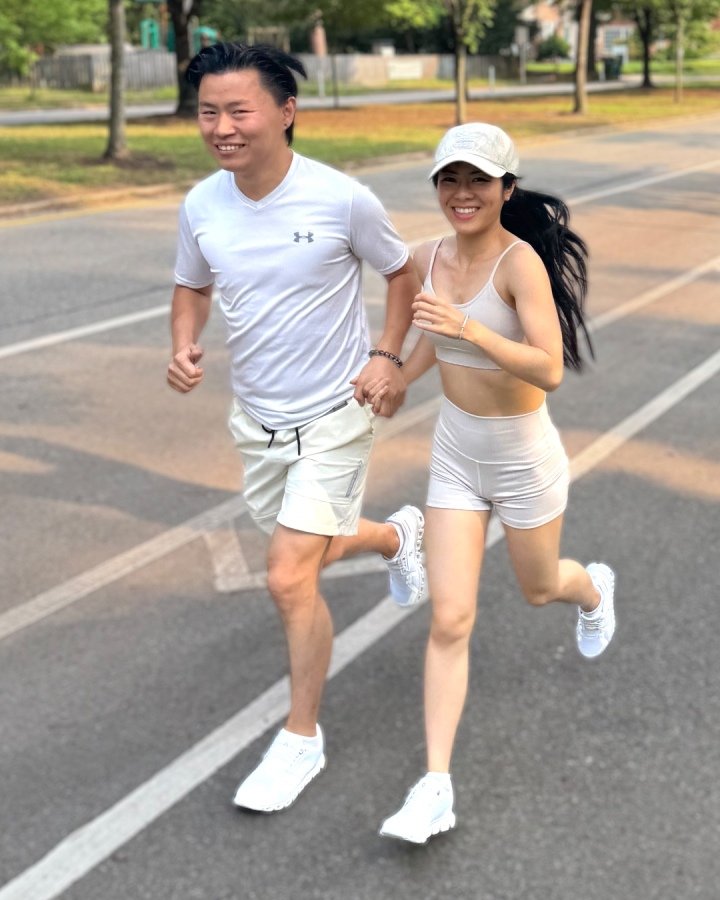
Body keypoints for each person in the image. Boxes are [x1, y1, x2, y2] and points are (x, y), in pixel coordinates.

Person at [166, 42, 427, 814]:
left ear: (286, 112)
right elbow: (191, 285)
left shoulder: (341, 199)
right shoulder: (202, 205)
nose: (222, 127)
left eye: (238, 111)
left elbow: (402, 272)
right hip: (259, 420)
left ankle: (301, 737)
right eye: (208, 112)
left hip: (336, 410)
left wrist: (387, 355)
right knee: (310, 551)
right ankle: (394, 537)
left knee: (287, 574)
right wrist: (183, 340)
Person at [370, 123, 616, 844]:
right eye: (449, 178)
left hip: (523, 459)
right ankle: (434, 787)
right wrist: (396, 371)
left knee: (541, 588)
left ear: (506, 189)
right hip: (457, 454)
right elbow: (425, 334)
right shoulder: (426, 257)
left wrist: (471, 330)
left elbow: (548, 367)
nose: (462, 193)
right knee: (450, 620)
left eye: (478, 179)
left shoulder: (519, 264)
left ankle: (593, 591)